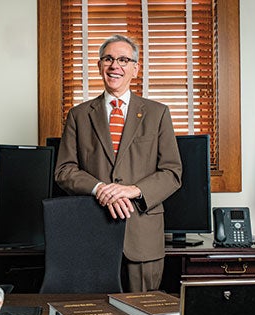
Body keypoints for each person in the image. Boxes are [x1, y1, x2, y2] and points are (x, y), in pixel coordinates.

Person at [55, 34, 182, 292]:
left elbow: (172, 172)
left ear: (135, 68)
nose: (115, 66)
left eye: (124, 59)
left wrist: (132, 190)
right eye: (109, 59)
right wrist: (101, 188)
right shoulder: (79, 116)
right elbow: (64, 170)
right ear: (99, 65)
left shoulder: (158, 113)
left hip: (143, 236)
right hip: (93, 233)